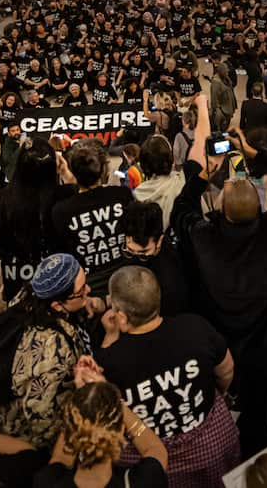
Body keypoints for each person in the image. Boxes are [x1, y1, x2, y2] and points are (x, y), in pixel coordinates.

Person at [172, 95, 267, 451]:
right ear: (261, 208)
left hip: (219, 351)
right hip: (265, 350)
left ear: (221, 207)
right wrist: (253, 153)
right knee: (258, 425)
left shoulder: (203, 237)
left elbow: (181, 209)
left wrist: (203, 177)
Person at [96, 265, 240, 484]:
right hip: (212, 449)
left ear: (122, 318)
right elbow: (227, 370)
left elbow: (105, 418)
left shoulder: (107, 361)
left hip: (154, 464)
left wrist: (109, 338)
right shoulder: (195, 326)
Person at [0, 253, 104, 450]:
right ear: (57, 305)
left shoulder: (28, 295)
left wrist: (80, 301)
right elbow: (39, 416)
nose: (88, 290)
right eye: (81, 291)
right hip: (33, 439)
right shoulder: (54, 347)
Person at [32, 381, 169, 488]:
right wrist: (117, 403)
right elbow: (154, 449)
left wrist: (85, 399)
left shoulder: (48, 482)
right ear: (121, 429)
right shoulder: (145, 481)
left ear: (71, 431)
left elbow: (61, 458)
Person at [0, 136, 73, 299]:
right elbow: (83, 199)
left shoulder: (6, 197)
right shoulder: (64, 196)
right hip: (57, 278)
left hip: (18, 279)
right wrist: (67, 175)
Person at [51, 138, 131, 296]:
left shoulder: (61, 211)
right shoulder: (122, 196)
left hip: (87, 290)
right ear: (104, 170)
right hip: (126, 281)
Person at [115, 200, 188, 317]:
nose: (135, 258)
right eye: (129, 251)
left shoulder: (170, 280)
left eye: (143, 253)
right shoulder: (130, 253)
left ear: (159, 241)